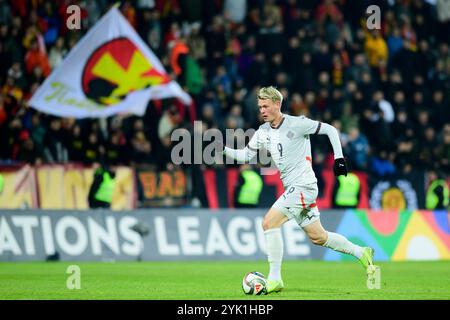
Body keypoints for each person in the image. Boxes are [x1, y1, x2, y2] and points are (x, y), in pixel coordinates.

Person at [222, 86, 376, 294]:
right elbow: (245, 156)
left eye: (266, 106)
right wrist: (221, 149)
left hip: (304, 185)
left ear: (278, 104)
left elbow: (330, 129)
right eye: (260, 106)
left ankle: (275, 279)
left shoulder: (298, 123)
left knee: (269, 222)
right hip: (294, 188)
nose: (262, 110)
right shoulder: (263, 131)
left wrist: (339, 158)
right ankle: (362, 252)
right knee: (318, 237)